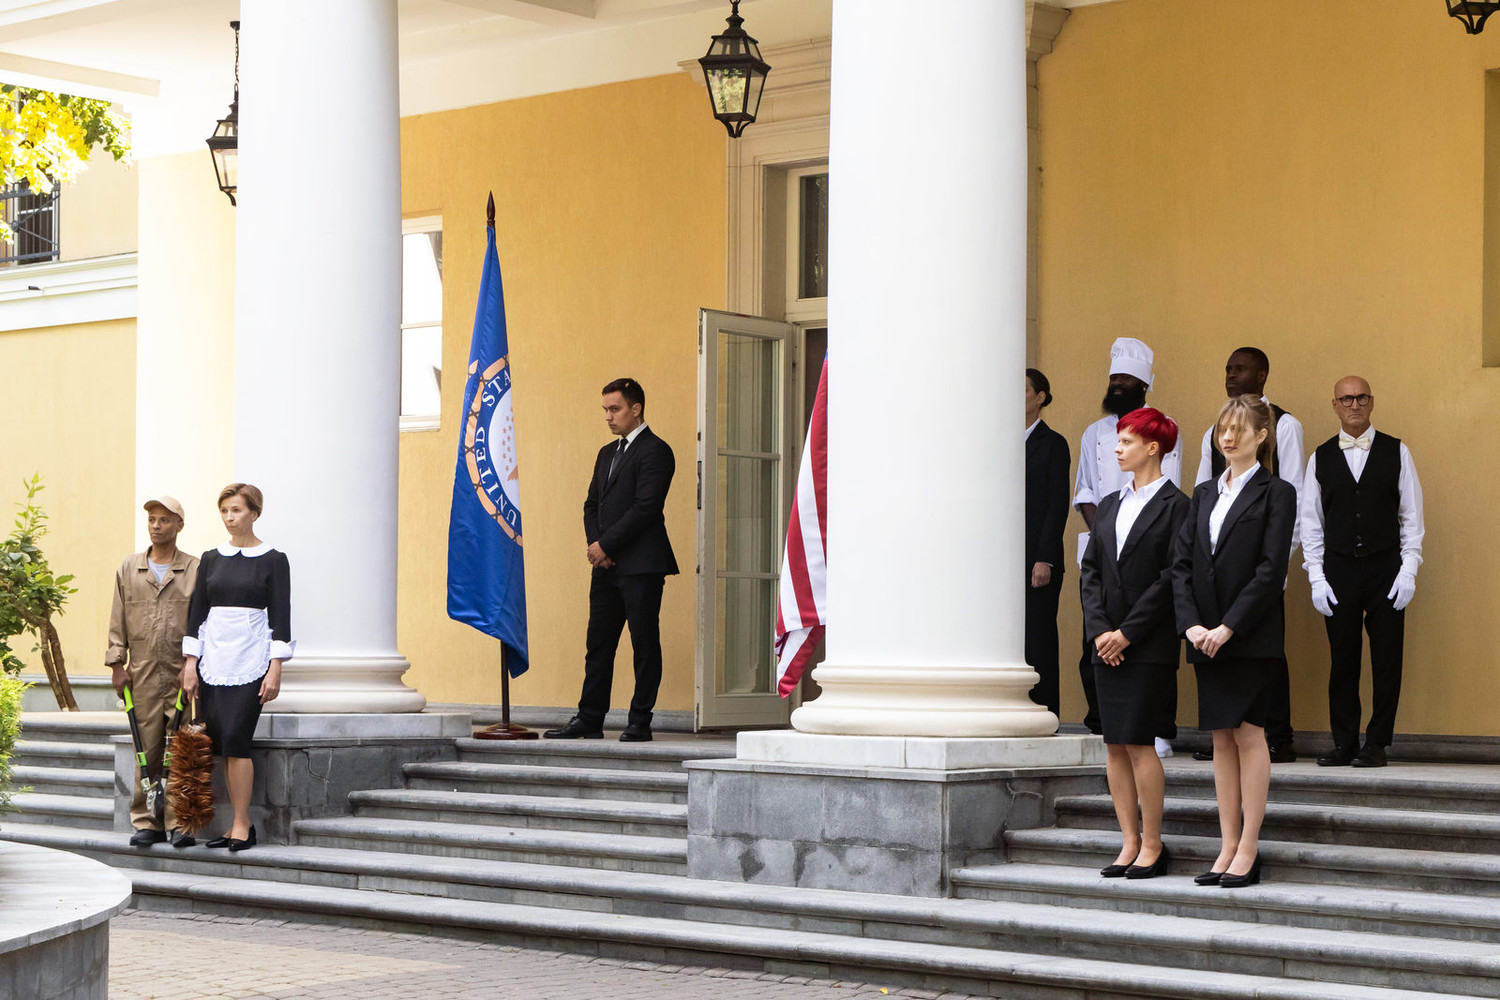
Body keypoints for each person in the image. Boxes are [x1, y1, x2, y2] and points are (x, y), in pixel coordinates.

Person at [1172, 396, 1296, 889]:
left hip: (1248, 635)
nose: (1229, 437)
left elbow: (1270, 571)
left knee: (1248, 734)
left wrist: (1229, 626)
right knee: (1220, 737)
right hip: (1204, 637)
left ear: (1262, 436)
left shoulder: (1277, 493)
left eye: (1240, 429)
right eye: (1224, 428)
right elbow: (1182, 565)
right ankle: (1226, 844)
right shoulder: (1202, 494)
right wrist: (1192, 626)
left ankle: (1249, 846)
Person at [1080, 408, 1189, 881]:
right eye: (1117, 440)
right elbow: (1092, 572)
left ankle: (1152, 842)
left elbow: (1171, 578)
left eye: (1126, 440)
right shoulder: (1108, 504)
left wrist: (1127, 633)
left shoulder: (1177, 506)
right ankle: (1127, 839)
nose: (1117, 447)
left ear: (1152, 447)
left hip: (1147, 643)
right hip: (1106, 642)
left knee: (1141, 743)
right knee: (1114, 745)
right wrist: (1103, 630)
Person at [545, 378, 678, 743]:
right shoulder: (606, 453)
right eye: (605, 409)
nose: (608, 416)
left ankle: (640, 721)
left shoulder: (656, 451)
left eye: (615, 408)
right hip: (605, 566)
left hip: (641, 566)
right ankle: (590, 718)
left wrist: (607, 545)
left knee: (644, 644)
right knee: (599, 645)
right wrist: (596, 545)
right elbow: (592, 505)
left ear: (636, 409)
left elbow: (645, 509)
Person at [1301, 376, 1424, 769]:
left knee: (1387, 659)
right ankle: (1344, 742)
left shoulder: (1397, 451)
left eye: (1361, 397)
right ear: (1334, 405)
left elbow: (1411, 516)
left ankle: (1378, 743)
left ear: (1371, 402)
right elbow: (1311, 522)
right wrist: (1316, 576)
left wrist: (1409, 569)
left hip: (1386, 567)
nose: (1354, 404)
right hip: (1338, 569)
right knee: (1343, 659)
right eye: (1346, 399)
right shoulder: (1319, 456)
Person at [1191, 348, 1305, 764]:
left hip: (1263, 558)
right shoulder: (1213, 432)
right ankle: (1224, 731)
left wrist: (1279, 565)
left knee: (1264, 651)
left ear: (1262, 374)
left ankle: (1277, 733)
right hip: (1219, 565)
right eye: (1227, 369)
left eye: (1239, 369)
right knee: (1223, 656)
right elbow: (1204, 495)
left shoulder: (1285, 424)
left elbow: (1293, 489)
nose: (1230, 375)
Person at [1073, 337, 1183, 757]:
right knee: (1096, 644)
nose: (1117, 385)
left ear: (1143, 385)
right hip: (1104, 544)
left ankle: (1158, 728)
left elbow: (1164, 484)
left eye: (1126, 379)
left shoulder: (1164, 429)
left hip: (1148, 546)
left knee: (1150, 644)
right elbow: (1084, 490)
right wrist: (1106, 532)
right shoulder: (1093, 433)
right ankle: (1103, 722)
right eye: (1113, 378)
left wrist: (1129, 535)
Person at [180, 483, 293, 852]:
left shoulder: (274, 559)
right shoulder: (211, 558)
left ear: (254, 514)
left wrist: (276, 667)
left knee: (237, 739)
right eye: (225, 511)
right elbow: (197, 613)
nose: (230, 517)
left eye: (237, 510)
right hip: (213, 661)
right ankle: (230, 826)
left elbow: (281, 616)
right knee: (221, 742)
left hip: (252, 661)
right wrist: (191, 664)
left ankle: (243, 824)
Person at [106, 496, 199, 848]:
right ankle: (147, 821)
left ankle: (181, 824)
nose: (156, 525)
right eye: (152, 520)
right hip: (142, 672)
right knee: (147, 750)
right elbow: (117, 620)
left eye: (164, 520)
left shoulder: (194, 569)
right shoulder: (129, 569)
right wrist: (117, 663)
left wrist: (194, 665)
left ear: (179, 525)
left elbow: (202, 622)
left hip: (182, 674)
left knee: (183, 748)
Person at [1024, 368, 1071, 717]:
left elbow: (1057, 505)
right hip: (1004, 558)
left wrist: (1045, 558)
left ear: (1040, 397)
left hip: (1037, 555)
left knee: (1038, 636)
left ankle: (1044, 711)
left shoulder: (1053, 443)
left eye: (1022, 390)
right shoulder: (998, 440)